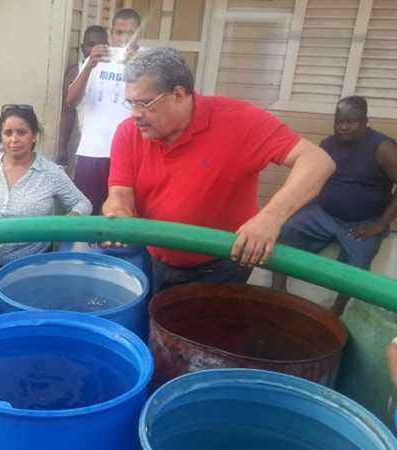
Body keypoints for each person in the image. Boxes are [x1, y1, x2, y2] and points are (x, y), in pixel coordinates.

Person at [103, 48, 336, 294]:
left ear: (178, 94)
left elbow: (317, 161)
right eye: (130, 103)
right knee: (155, 322)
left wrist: (270, 218)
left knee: (208, 331)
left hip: (221, 265)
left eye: (144, 104)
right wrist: (118, 211)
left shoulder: (238, 121)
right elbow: (119, 193)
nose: (135, 114)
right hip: (155, 257)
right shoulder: (128, 133)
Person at [273, 97, 397, 315]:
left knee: (358, 264)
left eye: (351, 122)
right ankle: (277, 291)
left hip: (362, 223)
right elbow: (312, 177)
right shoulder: (328, 144)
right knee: (285, 230)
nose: (343, 127)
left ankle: (336, 311)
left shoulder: (383, 148)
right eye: (338, 121)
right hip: (323, 214)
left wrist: (381, 224)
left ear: (365, 121)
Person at [0, 105, 92, 297]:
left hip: (31, 267)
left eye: (21, 132)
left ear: (33, 136)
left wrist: (64, 224)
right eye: (8, 133)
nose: (14, 139)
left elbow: (83, 204)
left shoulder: (50, 173)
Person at [66, 9, 142, 213]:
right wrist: (89, 66)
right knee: (87, 211)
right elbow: (71, 100)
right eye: (119, 33)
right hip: (92, 150)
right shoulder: (97, 58)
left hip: (130, 153)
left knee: (122, 212)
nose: (123, 39)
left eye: (130, 33)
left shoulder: (146, 59)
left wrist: (136, 66)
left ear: (138, 33)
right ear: (111, 32)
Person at [58, 25, 109, 173]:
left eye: (100, 45)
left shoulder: (116, 71)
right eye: (90, 45)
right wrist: (62, 147)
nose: (94, 50)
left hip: (110, 146)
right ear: (82, 47)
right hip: (83, 143)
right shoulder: (75, 71)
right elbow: (67, 112)